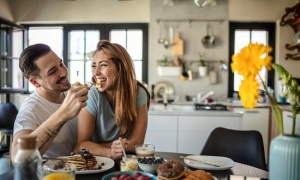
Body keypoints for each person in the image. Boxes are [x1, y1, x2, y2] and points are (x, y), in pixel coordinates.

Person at [11, 44, 89, 160]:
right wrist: (62, 114)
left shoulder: (76, 92)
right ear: (35, 82)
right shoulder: (30, 110)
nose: (63, 72)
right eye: (52, 71)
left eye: (61, 64)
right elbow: (17, 158)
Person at [76, 40, 150, 159]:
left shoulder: (138, 92)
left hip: (125, 160)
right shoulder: (92, 94)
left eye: (103, 65)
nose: (96, 72)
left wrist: (97, 146)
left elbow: (137, 143)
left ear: (120, 68)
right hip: (96, 160)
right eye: (94, 66)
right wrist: (111, 151)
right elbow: (81, 145)